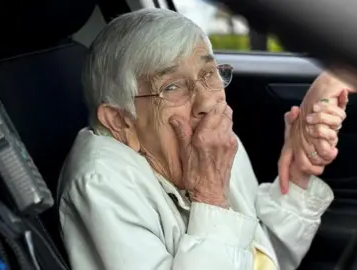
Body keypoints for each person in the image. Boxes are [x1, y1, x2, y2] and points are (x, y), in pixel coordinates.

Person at [58, 8, 353, 270]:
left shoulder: (208, 141)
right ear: (120, 121)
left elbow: (260, 257)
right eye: (172, 86)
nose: (206, 102)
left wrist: (297, 176)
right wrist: (210, 198)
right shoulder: (102, 185)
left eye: (209, 73)